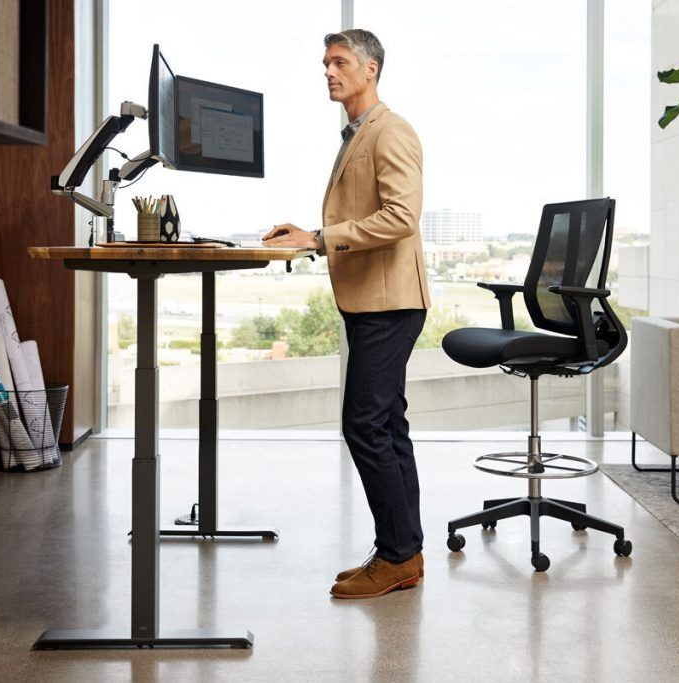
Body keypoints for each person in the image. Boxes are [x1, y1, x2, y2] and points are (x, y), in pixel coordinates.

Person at [262, 28, 431, 599]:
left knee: (364, 425)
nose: (329, 72)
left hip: (390, 302)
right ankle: (404, 552)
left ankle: (397, 557)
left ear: (371, 69)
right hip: (374, 300)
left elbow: (400, 217)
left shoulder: (391, 130)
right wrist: (310, 238)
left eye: (340, 63)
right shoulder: (357, 133)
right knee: (387, 425)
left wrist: (317, 237)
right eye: (326, 63)